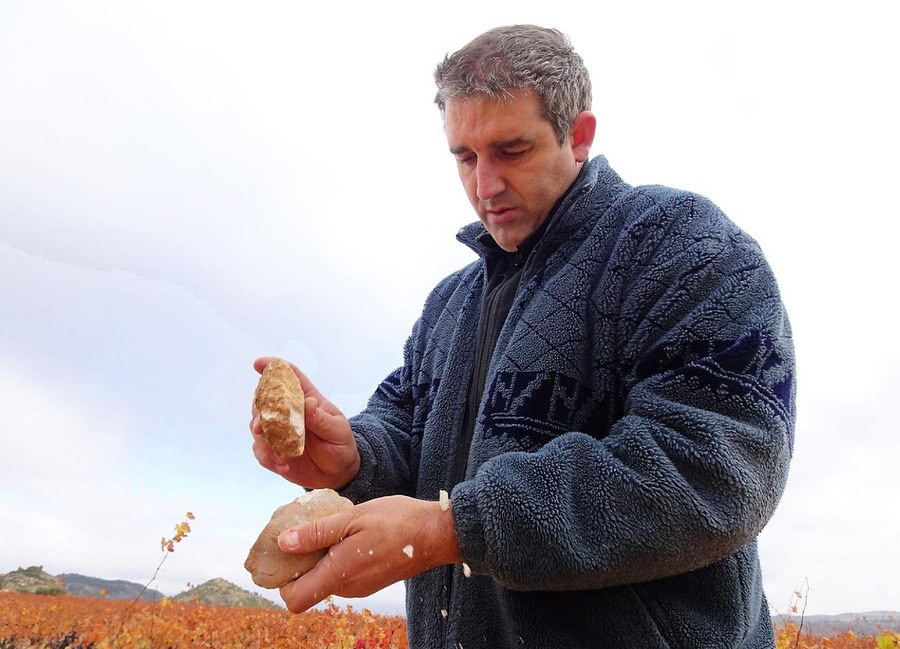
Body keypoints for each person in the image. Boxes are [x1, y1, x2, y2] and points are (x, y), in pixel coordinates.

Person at [250, 24, 795, 648]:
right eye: (464, 156)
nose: (484, 185)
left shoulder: (684, 249)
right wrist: (353, 459)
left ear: (579, 136)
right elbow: (404, 428)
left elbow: (716, 466)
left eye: (511, 150)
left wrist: (451, 530)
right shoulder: (449, 305)